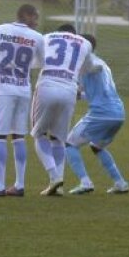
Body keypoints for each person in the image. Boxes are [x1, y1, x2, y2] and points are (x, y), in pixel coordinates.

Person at [0, 4, 45, 197]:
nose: (37, 21)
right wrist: (23, 67)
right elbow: (42, 63)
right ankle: (19, 184)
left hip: (4, 89)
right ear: (26, 15)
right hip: (24, 89)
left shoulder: (0, 29)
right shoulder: (37, 37)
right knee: (18, 137)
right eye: (35, 17)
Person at [65, 34, 129, 194]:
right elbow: (96, 92)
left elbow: (93, 67)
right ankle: (120, 182)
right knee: (97, 147)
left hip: (101, 114)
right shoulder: (103, 64)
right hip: (118, 113)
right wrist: (77, 95)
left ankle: (85, 182)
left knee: (69, 144)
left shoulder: (88, 62)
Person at [34, 24, 94, 196]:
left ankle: (54, 177)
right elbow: (88, 67)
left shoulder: (47, 37)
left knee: (39, 135)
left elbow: (36, 61)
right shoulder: (83, 42)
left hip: (46, 86)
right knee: (59, 139)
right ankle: (59, 185)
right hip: (69, 89)